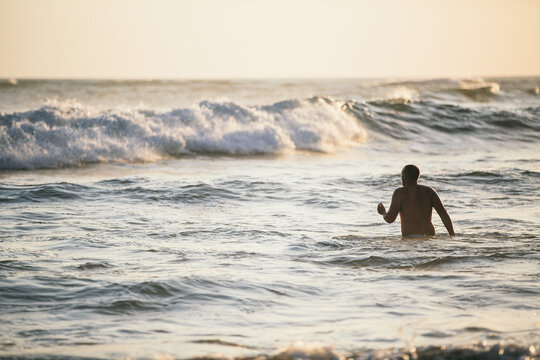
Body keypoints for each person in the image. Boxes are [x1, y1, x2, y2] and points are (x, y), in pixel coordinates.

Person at [377, 165, 455, 236]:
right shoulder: (429, 191)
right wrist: (452, 234)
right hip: (429, 236)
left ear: (405, 177)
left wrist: (383, 212)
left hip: (410, 238)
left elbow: (390, 219)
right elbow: (443, 214)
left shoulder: (399, 193)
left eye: (402, 176)